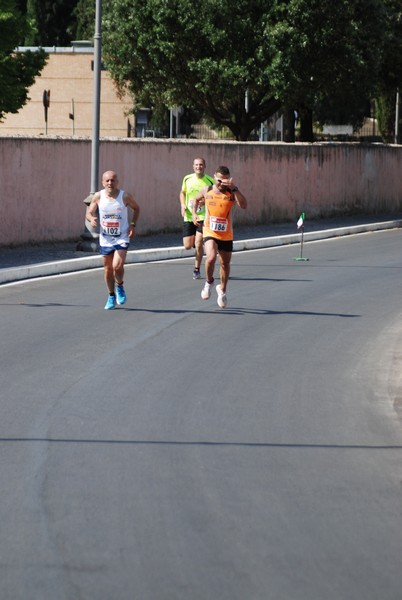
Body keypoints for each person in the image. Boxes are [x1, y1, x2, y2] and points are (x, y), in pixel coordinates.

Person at [192, 165, 247, 308]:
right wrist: (194, 214)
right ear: (215, 178)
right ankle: (209, 282)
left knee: (225, 264)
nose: (222, 183)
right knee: (210, 257)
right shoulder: (207, 190)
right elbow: (195, 200)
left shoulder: (231, 192)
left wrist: (235, 188)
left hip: (226, 234)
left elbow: (244, 205)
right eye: (219, 180)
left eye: (225, 180)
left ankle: (222, 290)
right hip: (210, 230)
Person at [86, 170, 140, 310]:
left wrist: (132, 224)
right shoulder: (98, 196)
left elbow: (137, 208)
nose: (110, 183)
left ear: (117, 182)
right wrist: (92, 218)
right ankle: (111, 296)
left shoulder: (125, 196)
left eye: (113, 180)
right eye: (107, 181)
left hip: (121, 237)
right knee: (108, 269)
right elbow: (89, 212)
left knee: (117, 265)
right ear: (103, 182)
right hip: (105, 239)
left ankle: (120, 286)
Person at [179, 157, 214, 279]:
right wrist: (183, 205)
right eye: (196, 165)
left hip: (203, 216)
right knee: (188, 246)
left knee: (198, 243)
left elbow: (215, 196)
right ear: (193, 166)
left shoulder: (210, 181)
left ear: (205, 166)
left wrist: (205, 201)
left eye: (201, 165)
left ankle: (196, 269)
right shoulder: (187, 179)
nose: (198, 167)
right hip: (189, 215)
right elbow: (182, 193)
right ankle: (197, 245)